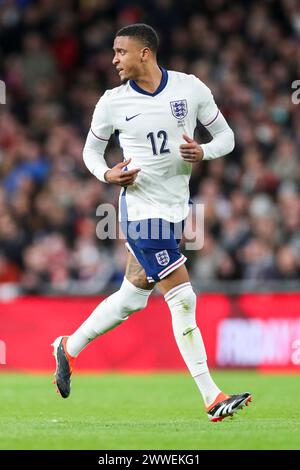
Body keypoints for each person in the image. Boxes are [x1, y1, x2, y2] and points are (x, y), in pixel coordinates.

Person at [52, 23, 252, 422]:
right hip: (141, 213)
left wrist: (204, 152)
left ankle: (67, 347)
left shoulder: (190, 89)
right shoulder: (111, 102)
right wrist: (108, 175)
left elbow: (226, 137)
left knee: (132, 297)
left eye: (120, 52)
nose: (114, 59)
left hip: (177, 209)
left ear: (144, 53)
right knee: (183, 297)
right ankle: (212, 397)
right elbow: (90, 153)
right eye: (113, 52)